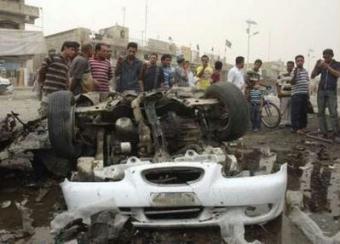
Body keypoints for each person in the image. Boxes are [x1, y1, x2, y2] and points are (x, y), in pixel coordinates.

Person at [38, 41, 79, 116]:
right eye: (72, 49)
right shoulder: (52, 56)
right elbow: (42, 71)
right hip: (49, 92)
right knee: (44, 114)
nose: (73, 52)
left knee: (57, 116)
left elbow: (66, 77)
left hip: (60, 94)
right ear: (65, 48)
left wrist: (68, 90)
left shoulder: (68, 62)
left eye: (75, 50)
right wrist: (42, 83)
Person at [311, 49, 340, 139]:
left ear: (331, 56)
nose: (325, 58)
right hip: (321, 91)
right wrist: (316, 66)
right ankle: (324, 132)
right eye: (324, 57)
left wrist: (327, 66)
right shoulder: (321, 65)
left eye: (327, 56)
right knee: (320, 113)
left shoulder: (337, 64)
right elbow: (312, 75)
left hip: (331, 91)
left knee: (333, 112)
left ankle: (336, 133)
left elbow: (337, 74)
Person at [290, 55, 310, 134]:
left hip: (304, 94)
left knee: (303, 112)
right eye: (298, 61)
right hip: (296, 94)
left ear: (303, 61)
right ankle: (296, 128)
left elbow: (307, 83)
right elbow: (292, 82)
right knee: (296, 112)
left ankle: (303, 127)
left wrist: (308, 95)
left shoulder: (305, 71)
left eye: (301, 60)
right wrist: (295, 74)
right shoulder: (294, 71)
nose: (300, 62)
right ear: (296, 62)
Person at [277, 61, 294, 127]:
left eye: (291, 66)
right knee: (283, 109)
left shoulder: (294, 74)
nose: (289, 67)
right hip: (283, 94)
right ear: (287, 66)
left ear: (293, 66)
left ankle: (289, 122)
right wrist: (279, 93)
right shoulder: (281, 73)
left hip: (292, 94)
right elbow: (278, 83)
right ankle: (282, 122)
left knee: (290, 109)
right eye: (288, 65)